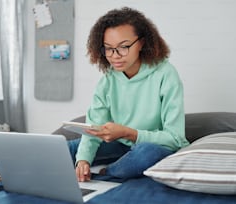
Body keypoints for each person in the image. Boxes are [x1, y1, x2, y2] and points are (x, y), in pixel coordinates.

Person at [67, 7, 190, 182]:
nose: (115, 56)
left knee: (145, 154)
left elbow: (175, 138)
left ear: (141, 43)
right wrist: (83, 160)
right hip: (120, 145)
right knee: (68, 148)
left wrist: (128, 132)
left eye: (123, 47)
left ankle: (107, 173)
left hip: (155, 147)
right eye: (108, 49)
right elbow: (93, 128)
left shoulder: (166, 74)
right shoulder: (108, 79)